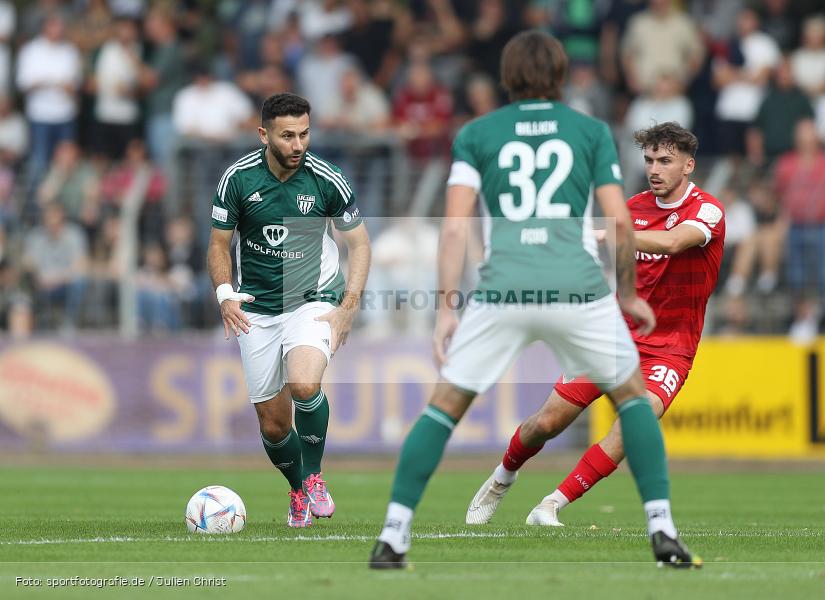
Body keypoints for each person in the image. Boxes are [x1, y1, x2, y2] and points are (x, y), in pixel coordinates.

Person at [370, 31, 699, 569]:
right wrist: (627, 294)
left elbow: (454, 230)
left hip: (504, 287)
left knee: (443, 408)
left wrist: (447, 308)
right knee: (634, 402)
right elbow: (619, 222)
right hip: (576, 288)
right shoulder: (590, 131)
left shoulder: (477, 133)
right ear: (560, 76)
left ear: (506, 78)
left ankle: (394, 536)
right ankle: (662, 530)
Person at [464, 123, 723, 538]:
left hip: (669, 348)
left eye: (666, 161)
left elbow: (675, 243)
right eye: (650, 160)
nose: (655, 169)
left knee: (635, 424)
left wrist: (608, 234)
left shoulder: (708, 210)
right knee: (547, 423)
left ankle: (551, 504)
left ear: (688, 166)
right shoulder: (633, 206)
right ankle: (501, 477)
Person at [207, 93, 371, 528]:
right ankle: (298, 489)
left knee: (303, 383)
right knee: (274, 425)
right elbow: (219, 245)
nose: (298, 145)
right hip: (256, 309)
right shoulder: (237, 180)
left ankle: (314, 476)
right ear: (264, 134)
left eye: (304, 134)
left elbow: (359, 243)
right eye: (287, 136)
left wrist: (348, 306)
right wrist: (225, 292)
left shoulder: (326, 179)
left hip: (312, 300)